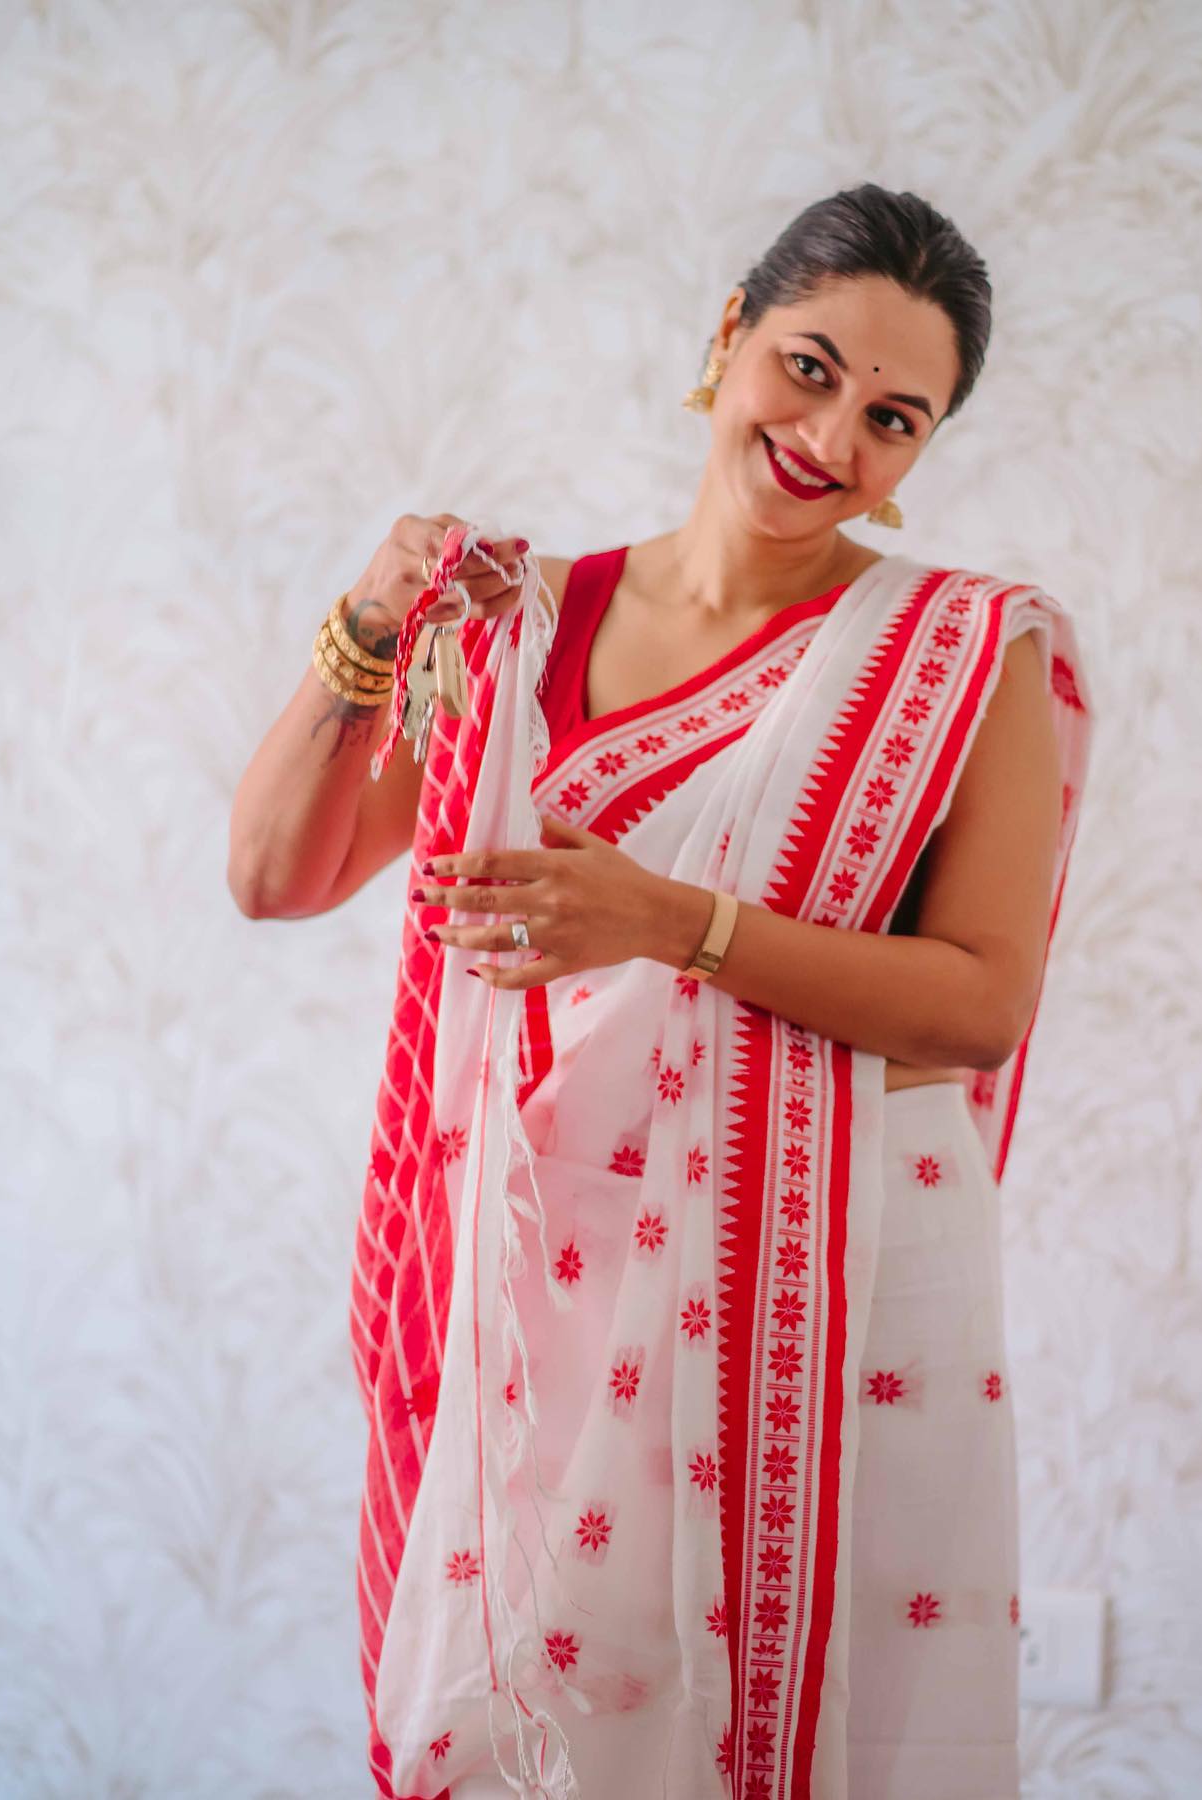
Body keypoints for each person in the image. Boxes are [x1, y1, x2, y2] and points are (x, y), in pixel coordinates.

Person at [229, 182, 1095, 1800]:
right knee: (557, 1721)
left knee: (809, 1703)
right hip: (538, 1266)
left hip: (834, 1272)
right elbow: (280, 873)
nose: (833, 437)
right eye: (812, 367)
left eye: (895, 417)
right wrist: (363, 625)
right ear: (730, 339)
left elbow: (981, 1000)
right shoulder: (518, 624)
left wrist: (673, 920)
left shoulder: (964, 656)